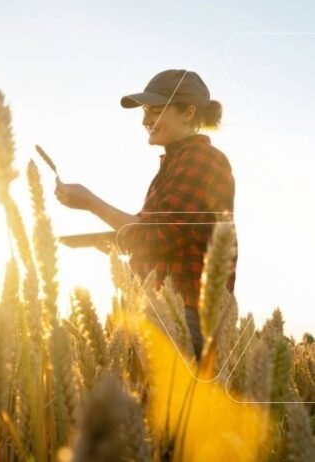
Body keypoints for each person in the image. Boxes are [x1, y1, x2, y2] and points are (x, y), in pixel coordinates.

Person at [54, 69, 237, 361]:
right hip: (167, 309)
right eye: (144, 111)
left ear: (188, 113)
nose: (145, 120)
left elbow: (153, 235)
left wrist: (91, 203)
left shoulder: (200, 160)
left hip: (187, 315)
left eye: (154, 109)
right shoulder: (176, 163)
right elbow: (152, 234)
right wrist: (115, 243)